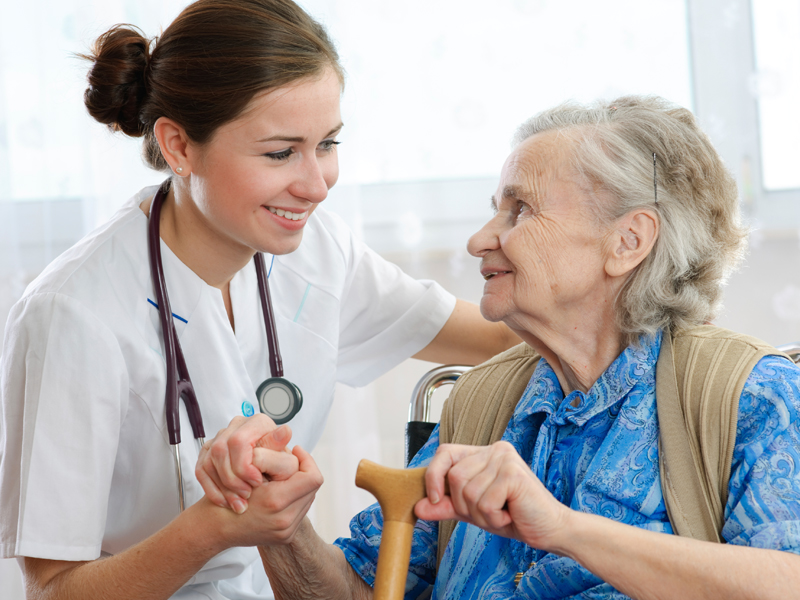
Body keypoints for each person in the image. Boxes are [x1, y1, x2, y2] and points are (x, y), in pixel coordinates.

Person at [0, 1, 519, 598]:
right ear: (178, 145)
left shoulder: (317, 251)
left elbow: (504, 333)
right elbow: (52, 590)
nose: (317, 185)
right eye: (279, 153)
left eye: (327, 143)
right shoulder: (73, 315)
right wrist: (213, 527)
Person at [205, 96, 800, 599]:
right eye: (495, 209)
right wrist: (277, 522)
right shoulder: (481, 402)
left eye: (520, 210)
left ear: (627, 241)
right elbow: (363, 589)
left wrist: (564, 530)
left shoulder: (749, 396)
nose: (478, 239)